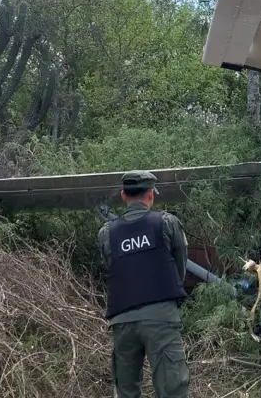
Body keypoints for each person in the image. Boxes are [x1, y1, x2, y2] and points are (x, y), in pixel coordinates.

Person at [98, 170, 190, 398]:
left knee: (126, 392)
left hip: (122, 321)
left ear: (123, 195)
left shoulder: (106, 233)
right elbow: (179, 266)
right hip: (161, 317)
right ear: (151, 194)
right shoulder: (167, 223)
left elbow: (114, 267)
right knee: (172, 390)